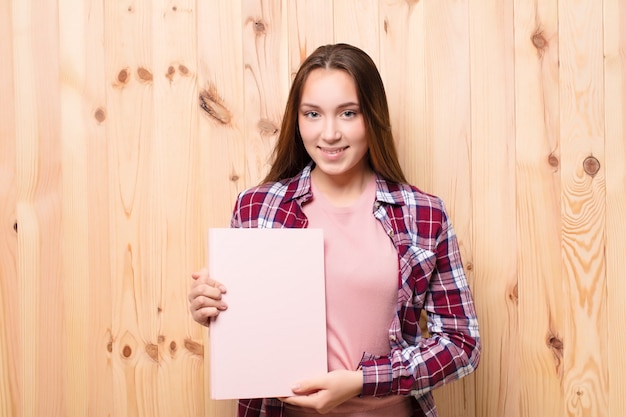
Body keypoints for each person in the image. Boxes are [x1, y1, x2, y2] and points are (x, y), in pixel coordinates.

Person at [188, 43, 480, 417]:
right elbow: (244, 330)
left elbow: (461, 343)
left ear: (372, 117)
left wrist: (362, 381)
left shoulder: (423, 213)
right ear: (297, 119)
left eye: (348, 113)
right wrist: (210, 306)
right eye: (312, 114)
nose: (329, 133)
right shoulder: (258, 208)